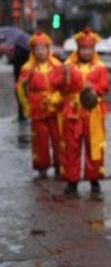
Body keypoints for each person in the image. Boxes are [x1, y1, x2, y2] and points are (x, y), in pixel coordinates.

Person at [61, 28, 109, 199]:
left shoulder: (100, 67)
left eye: (89, 49)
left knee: (94, 146)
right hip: (73, 111)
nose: (86, 52)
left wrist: (93, 88)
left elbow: (105, 87)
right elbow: (63, 88)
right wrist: (65, 78)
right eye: (83, 49)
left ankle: (94, 181)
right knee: (72, 147)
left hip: (93, 111)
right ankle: (72, 181)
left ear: (93, 49)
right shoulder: (69, 66)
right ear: (78, 49)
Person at [16, 31, 64, 178]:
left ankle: (59, 165)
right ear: (33, 51)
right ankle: (41, 167)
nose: (41, 52)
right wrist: (26, 106)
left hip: (55, 108)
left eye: (43, 48)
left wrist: (57, 98)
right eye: (37, 49)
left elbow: (63, 86)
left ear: (48, 49)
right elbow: (20, 89)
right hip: (37, 109)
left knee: (58, 138)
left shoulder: (57, 65)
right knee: (40, 140)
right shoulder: (27, 68)